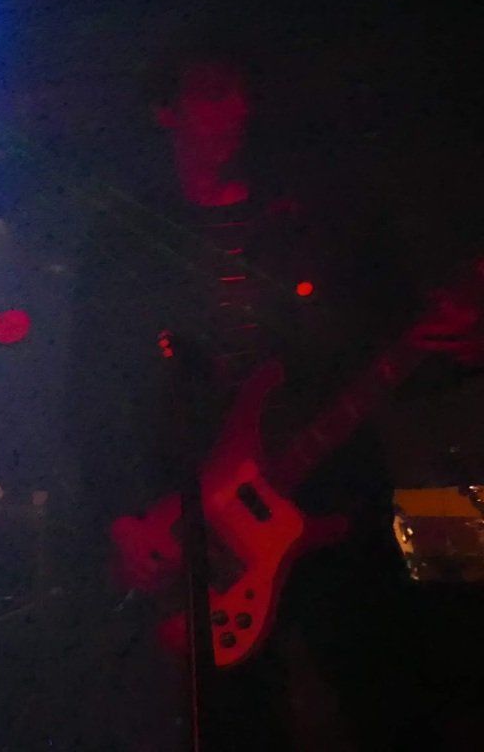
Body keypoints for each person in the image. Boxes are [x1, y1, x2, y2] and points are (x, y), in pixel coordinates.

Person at [61, 46, 481, 750]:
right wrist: (122, 519)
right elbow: (91, 395)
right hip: (207, 533)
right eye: (214, 94)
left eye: (242, 93)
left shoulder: (323, 222)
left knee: (394, 708)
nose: (239, 111)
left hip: (338, 514)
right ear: (166, 111)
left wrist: (460, 352)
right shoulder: (123, 240)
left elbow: (393, 354)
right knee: (235, 724)